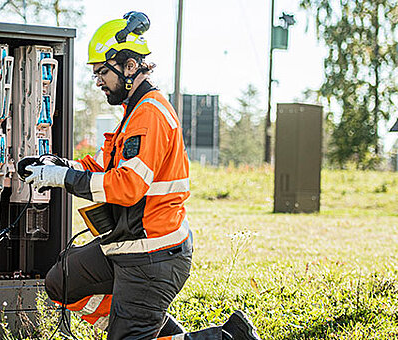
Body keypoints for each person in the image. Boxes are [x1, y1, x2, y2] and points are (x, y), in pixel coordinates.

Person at [21, 12, 262, 340]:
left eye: (102, 72)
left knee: (129, 333)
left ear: (129, 67)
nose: (97, 81)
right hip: (125, 246)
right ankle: (137, 326)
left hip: (152, 256)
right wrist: (57, 165)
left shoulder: (150, 114)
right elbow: (105, 169)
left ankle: (222, 338)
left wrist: (61, 178)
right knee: (61, 282)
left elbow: (128, 186)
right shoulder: (133, 113)